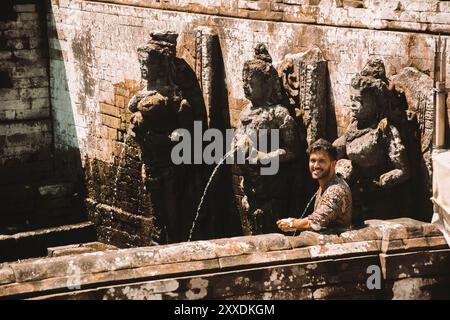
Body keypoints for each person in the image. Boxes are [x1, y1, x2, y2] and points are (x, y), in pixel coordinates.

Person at [277, 139, 352, 232]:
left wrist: (292, 223)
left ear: (333, 164)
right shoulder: (325, 185)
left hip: (338, 242)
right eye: (313, 160)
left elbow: (316, 222)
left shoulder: (336, 190)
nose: (316, 165)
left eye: (321, 161)